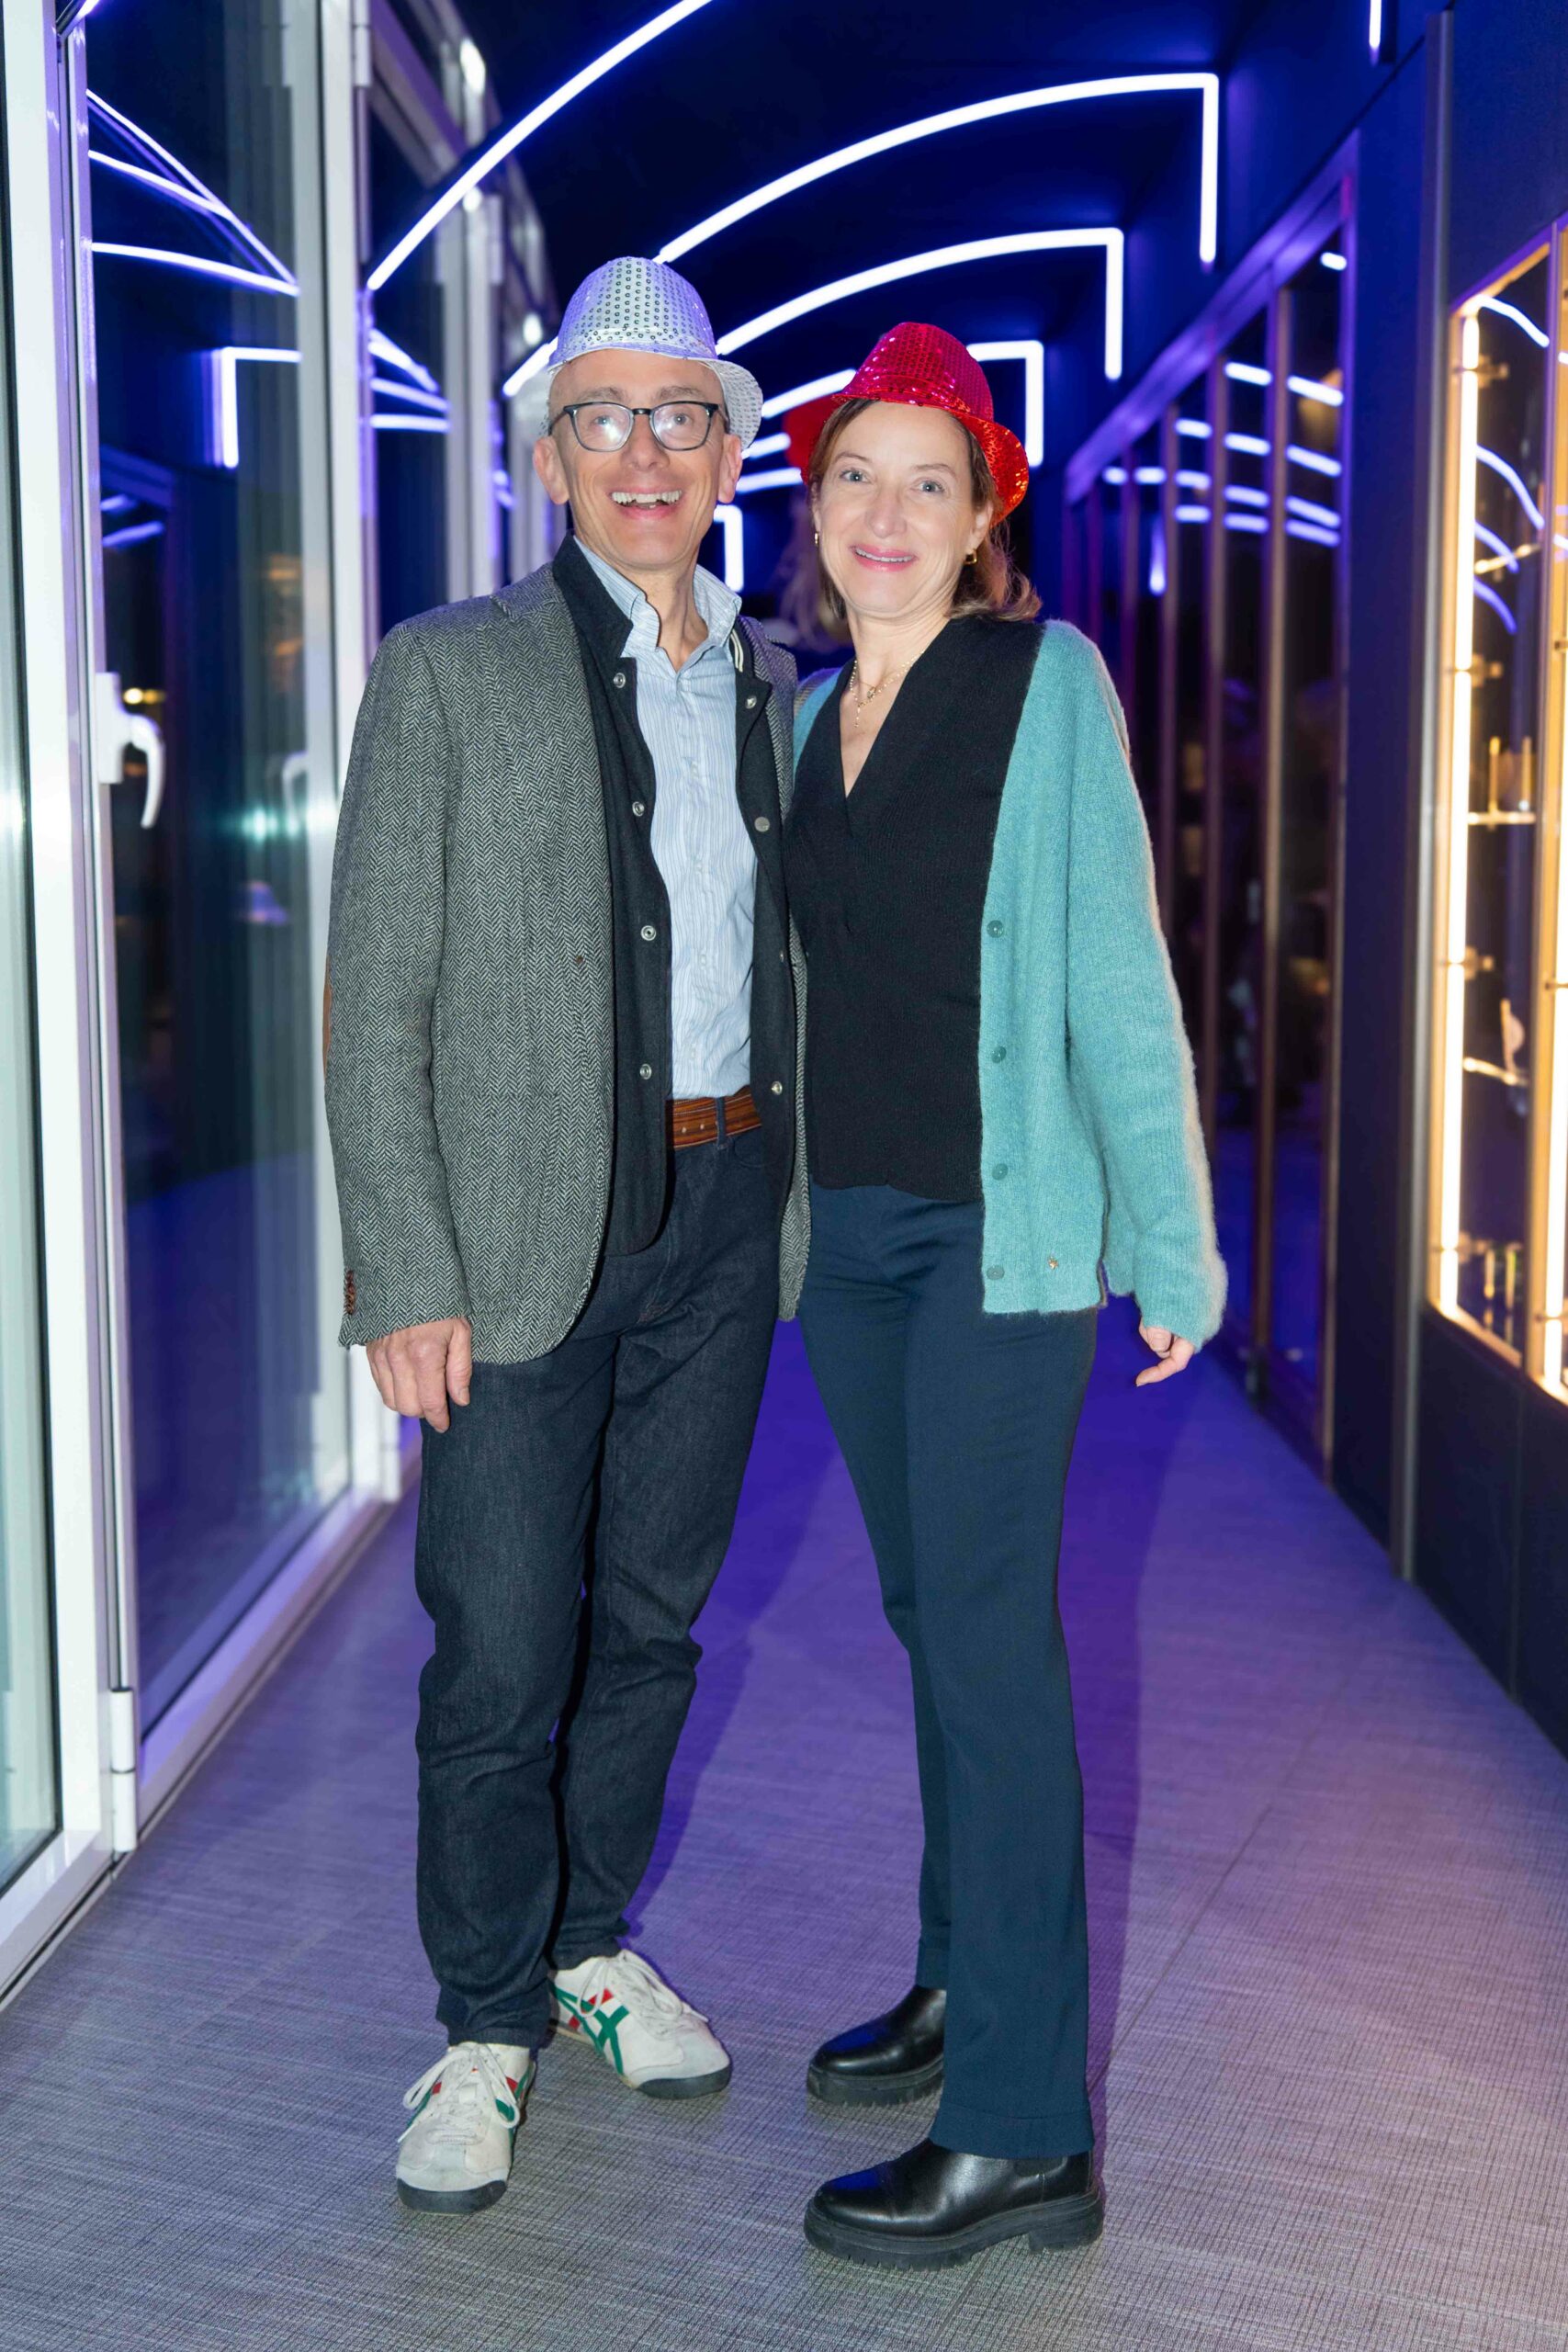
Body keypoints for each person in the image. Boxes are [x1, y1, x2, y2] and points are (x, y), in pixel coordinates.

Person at [323, 257, 804, 2214]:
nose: (643, 452)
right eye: (602, 418)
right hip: (522, 1236)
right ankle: (481, 2019)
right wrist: (403, 1269)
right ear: (548, 459)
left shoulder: (777, 678)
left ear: (728, 451)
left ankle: (591, 1942)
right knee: (503, 1644)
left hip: (727, 1210)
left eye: (680, 415)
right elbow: (377, 993)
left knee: (655, 1623)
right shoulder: (449, 669)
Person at [779, 323, 1224, 2269]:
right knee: (926, 1615)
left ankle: (1027, 2133)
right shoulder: (804, 716)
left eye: (927, 484)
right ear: (815, 507)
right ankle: (967, 1974)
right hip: (849, 1245)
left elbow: (1116, 969)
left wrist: (1173, 1240)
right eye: (855, 478)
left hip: (997, 1237)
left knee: (984, 1637)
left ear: (982, 522)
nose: (886, 514)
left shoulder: (1047, 685)